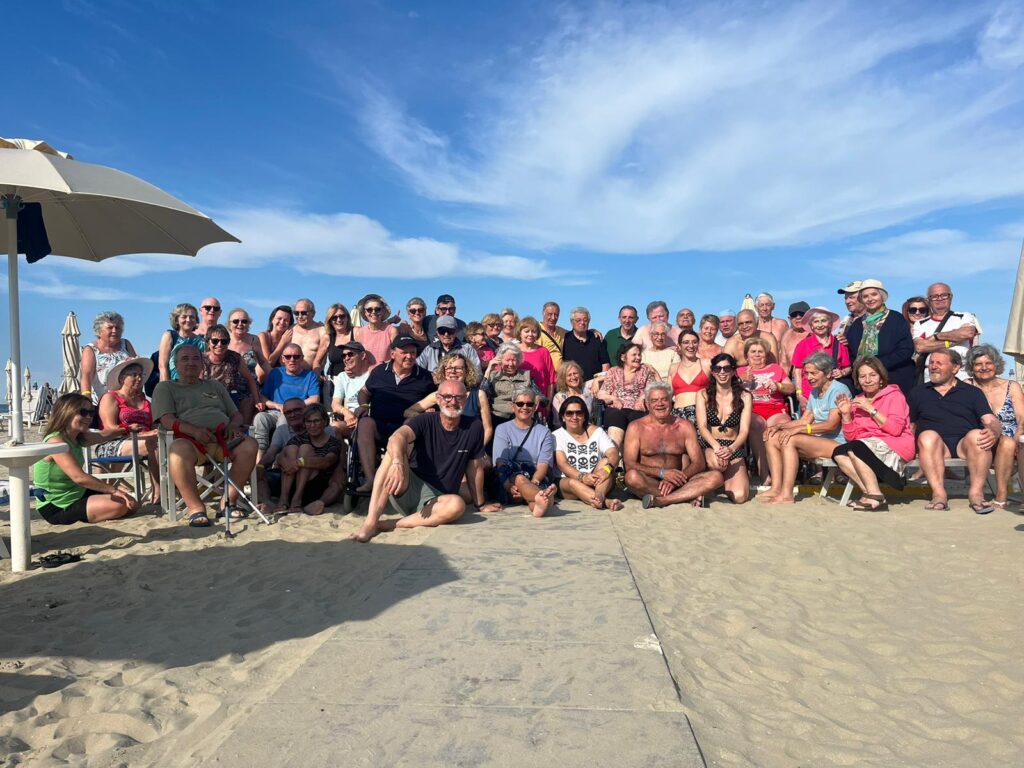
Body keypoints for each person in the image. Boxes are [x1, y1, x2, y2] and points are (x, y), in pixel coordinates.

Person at [352, 380, 499, 542]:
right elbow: (397, 437)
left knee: (457, 505)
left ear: (465, 399)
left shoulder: (474, 427)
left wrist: (480, 504)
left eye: (458, 397)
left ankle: (392, 524)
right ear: (438, 398)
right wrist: (398, 463)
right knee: (392, 453)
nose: (453, 402)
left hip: (437, 501)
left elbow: (475, 468)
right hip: (408, 487)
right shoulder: (425, 420)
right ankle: (370, 522)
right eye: (447, 397)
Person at [152, 345, 258, 526]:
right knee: (177, 450)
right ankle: (196, 508)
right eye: (185, 359)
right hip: (192, 443)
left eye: (196, 359)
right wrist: (194, 431)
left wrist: (233, 425)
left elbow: (236, 414)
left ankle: (228, 502)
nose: (191, 363)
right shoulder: (165, 387)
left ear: (202, 364)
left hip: (224, 439)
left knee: (250, 444)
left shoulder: (215, 385)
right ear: (175, 365)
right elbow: (166, 420)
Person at [909, 348, 1000, 513]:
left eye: (939, 363)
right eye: (931, 363)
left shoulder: (972, 392)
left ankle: (976, 494)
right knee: (927, 436)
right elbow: (911, 425)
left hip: (964, 445)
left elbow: (990, 420)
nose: (933, 367)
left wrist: (994, 431)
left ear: (955, 368)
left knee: (978, 435)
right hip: (935, 447)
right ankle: (939, 494)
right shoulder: (917, 392)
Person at [33, 393, 140, 524]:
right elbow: (79, 478)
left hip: (77, 492)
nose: (89, 417)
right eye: (83, 412)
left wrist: (127, 429)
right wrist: (114, 490)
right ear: (66, 412)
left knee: (131, 504)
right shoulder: (56, 441)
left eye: (91, 412)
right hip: (57, 504)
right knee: (120, 505)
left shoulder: (77, 437)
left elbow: (103, 435)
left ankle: (95, 509)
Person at [762, 351, 850, 504]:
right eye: (807, 373)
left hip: (839, 443)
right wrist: (779, 426)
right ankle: (776, 487)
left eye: (813, 373)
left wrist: (798, 430)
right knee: (771, 436)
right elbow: (805, 420)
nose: (808, 377)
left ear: (828, 373)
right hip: (819, 441)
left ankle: (787, 494)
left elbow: (831, 425)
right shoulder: (815, 392)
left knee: (790, 439)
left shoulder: (838, 390)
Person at [832, 357, 915, 512]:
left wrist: (871, 409)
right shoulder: (858, 400)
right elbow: (851, 437)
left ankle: (874, 495)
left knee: (856, 448)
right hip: (867, 446)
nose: (868, 380)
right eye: (863, 376)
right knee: (839, 453)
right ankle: (870, 492)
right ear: (857, 380)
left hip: (895, 444)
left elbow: (896, 429)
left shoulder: (894, 396)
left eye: (873, 375)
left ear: (881, 377)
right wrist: (846, 415)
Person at [354, 336, 437, 491]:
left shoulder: (425, 377)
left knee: (409, 425)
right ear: (393, 354)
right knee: (364, 423)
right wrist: (364, 405)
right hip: (379, 425)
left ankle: (401, 479)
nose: (409, 356)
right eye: (404, 352)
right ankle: (371, 480)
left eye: (412, 352)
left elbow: (434, 400)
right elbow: (364, 392)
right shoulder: (379, 372)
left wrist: (429, 410)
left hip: (407, 428)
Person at [624, 381, 722, 508]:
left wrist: (676, 480)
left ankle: (663, 500)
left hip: (681, 480)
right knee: (631, 477)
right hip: (650, 481)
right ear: (647, 405)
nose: (660, 404)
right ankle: (686, 496)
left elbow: (699, 462)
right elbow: (629, 464)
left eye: (664, 399)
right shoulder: (636, 427)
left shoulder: (684, 426)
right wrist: (662, 473)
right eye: (654, 400)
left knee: (716, 477)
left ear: (671, 402)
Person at [966, 344, 1024, 510]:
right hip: (982, 440)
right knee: (1007, 443)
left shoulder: (1011, 386)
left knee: (1010, 443)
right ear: (971, 367)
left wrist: (1016, 436)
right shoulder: (967, 385)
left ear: (996, 364)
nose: (984, 368)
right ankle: (1002, 495)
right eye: (978, 364)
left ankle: (1001, 494)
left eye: (988, 363)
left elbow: (1022, 418)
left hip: (1011, 439)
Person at [96, 357, 160, 502]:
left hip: (143, 441)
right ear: (122, 377)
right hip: (112, 443)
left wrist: (156, 430)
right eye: (134, 374)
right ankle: (158, 491)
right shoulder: (111, 398)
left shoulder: (145, 401)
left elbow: (153, 425)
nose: (139, 378)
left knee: (168, 442)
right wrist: (130, 429)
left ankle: (170, 485)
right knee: (153, 443)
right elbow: (109, 428)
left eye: (141, 374)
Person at [695, 353, 753, 503]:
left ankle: (719, 483)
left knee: (740, 497)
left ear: (733, 371)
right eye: (718, 368)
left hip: (733, 447)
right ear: (713, 372)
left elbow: (744, 430)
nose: (722, 372)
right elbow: (702, 426)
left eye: (726, 368)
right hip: (711, 445)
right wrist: (716, 447)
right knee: (717, 463)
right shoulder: (703, 395)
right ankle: (714, 479)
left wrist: (731, 449)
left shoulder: (744, 396)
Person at [405, 350, 494, 447]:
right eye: (449, 368)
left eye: (458, 368)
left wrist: (477, 451)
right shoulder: (437, 395)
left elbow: (488, 429)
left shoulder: (479, 395)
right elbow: (408, 411)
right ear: (444, 371)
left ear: (467, 371)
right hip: (443, 447)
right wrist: (427, 417)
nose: (453, 371)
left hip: (470, 445)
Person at [493, 387, 558, 517]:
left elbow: (543, 464)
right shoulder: (502, 429)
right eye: (520, 404)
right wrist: (507, 485)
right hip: (510, 480)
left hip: (536, 478)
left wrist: (533, 483)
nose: (524, 407)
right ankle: (544, 496)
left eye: (529, 404)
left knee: (532, 496)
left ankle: (536, 503)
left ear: (535, 407)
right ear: (513, 406)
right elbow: (501, 462)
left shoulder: (544, 432)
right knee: (520, 478)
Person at [843, 279, 915, 395]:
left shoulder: (896, 318)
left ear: (881, 296)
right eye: (865, 296)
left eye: (874, 294)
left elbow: (906, 349)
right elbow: (852, 354)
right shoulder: (856, 325)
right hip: (865, 383)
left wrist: (876, 366)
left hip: (894, 379)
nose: (870, 299)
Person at [738, 337, 795, 485]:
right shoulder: (739, 371)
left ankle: (780, 474)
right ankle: (764, 474)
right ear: (746, 356)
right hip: (752, 408)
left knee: (778, 425)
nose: (757, 355)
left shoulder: (776, 369)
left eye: (760, 352)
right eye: (753, 352)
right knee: (756, 425)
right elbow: (727, 392)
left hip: (775, 408)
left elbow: (791, 389)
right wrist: (740, 382)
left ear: (766, 354)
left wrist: (779, 386)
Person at [552, 396, 622, 510]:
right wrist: (582, 477)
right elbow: (562, 464)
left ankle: (598, 497)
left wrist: (607, 469)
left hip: (597, 480)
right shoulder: (556, 435)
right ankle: (605, 501)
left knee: (606, 461)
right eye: (569, 413)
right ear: (563, 417)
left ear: (584, 416)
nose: (574, 417)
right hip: (569, 482)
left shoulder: (597, 432)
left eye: (579, 413)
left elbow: (613, 453)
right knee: (572, 483)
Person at [252, 343, 320, 454]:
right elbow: (263, 397)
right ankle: (259, 458)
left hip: (297, 413)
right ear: (283, 359)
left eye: (296, 357)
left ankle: (283, 457)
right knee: (260, 418)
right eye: (288, 357)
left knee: (285, 419)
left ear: (302, 358)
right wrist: (277, 406)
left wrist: (292, 407)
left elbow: (314, 399)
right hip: (275, 411)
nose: (292, 360)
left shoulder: (310, 375)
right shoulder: (275, 373)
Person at [276, 404, 344, 516]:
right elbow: (280, 457)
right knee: (291, 449)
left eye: (316, 421)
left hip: (318, 486)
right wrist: (286, 463)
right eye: (308, 422)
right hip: (293, 482)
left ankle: (297, 499)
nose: (312, 425)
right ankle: (284, 499)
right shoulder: (299, 438)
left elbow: (327, 462)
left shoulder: (333, 442)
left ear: (324, 422)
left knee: (305, 449)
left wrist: (299, 462)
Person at [913, 282, 981, 383]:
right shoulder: (920, 324)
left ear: (951, 297)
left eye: (944, 295)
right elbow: (921, 347)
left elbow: (968, 333)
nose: (940, 299)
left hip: (962, 375)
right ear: (928, 300)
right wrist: (953, 340)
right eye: (935, 296)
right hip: (932, 376)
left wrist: (937, 336)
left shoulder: (964, 316)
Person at [596, 342, 661, 448]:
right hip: (616, 409)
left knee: (636, 418)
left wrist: (642, 398)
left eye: (639, 354)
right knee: (616, 416)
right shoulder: (613, 371)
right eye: (634, 355)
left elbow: (653, 389)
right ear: (623, 357)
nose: (638, 357)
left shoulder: (645, 370)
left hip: (637, 410)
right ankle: (613, 454)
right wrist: (613, 398)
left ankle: (632, 457)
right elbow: (602, 394)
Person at [791, 306, 851, 404]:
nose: (820, 325)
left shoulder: (839, 343)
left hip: (835, 394)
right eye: (816, 321)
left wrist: (842, 372)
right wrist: (799, 393)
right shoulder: (803, 344)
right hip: (809, 395)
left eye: (823, 321)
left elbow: (848, 367)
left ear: (829, 324)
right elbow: (797, 371)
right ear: (811, 326)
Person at [204, 324, 262, 425]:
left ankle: (244, 432)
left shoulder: (235, 357)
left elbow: (250, 379)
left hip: (230, 398)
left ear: (228, 343)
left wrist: (257, 400)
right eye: (215, 341)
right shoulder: (201, 359)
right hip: (207, 399)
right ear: (208, 342)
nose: (219, 344)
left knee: (249, 401)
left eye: (224, 341)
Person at [80, 311, 138, 405]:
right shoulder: (91, 349)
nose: (115, 331)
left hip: (128, 402)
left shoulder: (126, 344)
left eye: (118, 328)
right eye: (110, 328)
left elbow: (136, 368)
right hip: (102, 403)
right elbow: (86, 376)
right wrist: (86, 397)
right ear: (99, 331)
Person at [484, 343, 536, 429]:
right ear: (500, 360)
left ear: (518, 361)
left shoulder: (526, 375)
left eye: (514, 360)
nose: (511, 364)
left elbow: (541, 397)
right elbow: (482, 394)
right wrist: (488, 370)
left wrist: (536, 398)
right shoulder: (493, 376)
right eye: (507, 360)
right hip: (498, 418)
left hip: (522, 418)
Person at [330, 340, 372, 440]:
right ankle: (341, 456)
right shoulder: (342, 377)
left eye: (350, 354)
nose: (346, 358)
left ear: (362, 356)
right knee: (334, 428)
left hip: (369, 420)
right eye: (344, 356)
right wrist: (346, 412)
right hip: (349, 422)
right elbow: (335, 404)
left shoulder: (372, 374)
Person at [668, 330, 710, 424]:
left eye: (694, 342)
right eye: (686, 342)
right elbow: (668, 395)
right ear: (679, 346)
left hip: (702, 413)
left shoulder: (706, 363)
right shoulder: (673, 367)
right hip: (678, 415)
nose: (691, 346)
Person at [417, 315, 481, 374]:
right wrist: (430, 377)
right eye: (442, 331)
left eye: (450, 331)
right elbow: (417, 369)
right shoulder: (429, 349)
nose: (446, 334)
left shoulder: (467, 349)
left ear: (457, 331)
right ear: (437, 333)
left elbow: (477, 373)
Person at [158, 303, 205, 382]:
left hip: (194, 386)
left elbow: (202, 368)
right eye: (184, 317)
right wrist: (165, 388)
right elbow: (162, 366)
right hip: (173, 385)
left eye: (192, 317)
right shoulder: (170, 336)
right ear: (176, 320)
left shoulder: (201, 342)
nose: (188, 320)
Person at [562, 306, 610, 383]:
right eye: (578, 320)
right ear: (572, 322)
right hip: (572, 385)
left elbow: (605, 364)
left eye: (585, 320)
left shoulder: (597, 339)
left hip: (594, 385)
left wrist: (601, 383)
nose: (582, 323)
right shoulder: (565, 339)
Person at [516, 316, 557, 405]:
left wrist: (548, 403)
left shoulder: (544, 351)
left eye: (534, 331)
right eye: (526, 331)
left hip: (540, 401)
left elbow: (551, 380)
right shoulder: (514, 351)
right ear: (520, 333)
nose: (530, 334)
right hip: (519, 402)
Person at [227, 308, 270, 386]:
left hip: (250, 388)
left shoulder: (254, 340)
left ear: (248, 324)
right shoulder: (223, 341)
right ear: (229, 324)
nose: (240, 324)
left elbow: (263, 362)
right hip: (227, 389)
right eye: (235, 321)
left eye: (244, 321)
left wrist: (276, 377)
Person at [354, 293, 399, 366]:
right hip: (365, 375)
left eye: (377, 309)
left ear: (383, 311)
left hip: (385, 374)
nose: (373, 312)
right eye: (369, 309)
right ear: (365, 312)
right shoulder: (359, 332)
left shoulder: (391, 331)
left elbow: (397, 356)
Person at [551, 361, 596, 430]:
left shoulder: (587, 390)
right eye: (569, 375)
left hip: (588, 430)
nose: (573, 377)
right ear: (563, 379)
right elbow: (558, 422)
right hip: (567, 432)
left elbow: (606, 376)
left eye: (575, 373)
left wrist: (597, 380)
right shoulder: (559, 397)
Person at [315, 303, 355, 379]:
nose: (339, 320)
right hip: (333, 381)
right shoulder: (328, 337)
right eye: (334, 318)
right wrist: (317, 375)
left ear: (347, 317)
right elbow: (317, 362)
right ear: (330, 321)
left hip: (354, 380)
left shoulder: (356, 333)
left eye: (342, 316)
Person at [290, 298, 326, 369]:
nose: (299, 316)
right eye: (296, 313)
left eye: (303, 313)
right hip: (290, 377)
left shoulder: (322, 331)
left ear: (313, 313)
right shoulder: (289, 330)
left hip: (312, 375)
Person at [258, 305, 295, 369]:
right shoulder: (263, 336)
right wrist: (282, 342)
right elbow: (268, 363)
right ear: (272, 319)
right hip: (264, 375)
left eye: (286, 320)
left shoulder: (291, 338)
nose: (282, 322)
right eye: (279, 318)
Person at [779, 302, 810, 375]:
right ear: (789, 318)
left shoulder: (818, 333)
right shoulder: (786, 336)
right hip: (794, 379)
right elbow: (784, 365)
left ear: (809, 316)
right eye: (794, 315)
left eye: (802, 314)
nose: (798, 317)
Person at [538, 302, 567, 370]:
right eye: (550, 314)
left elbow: (577, 333)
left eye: (556, 315)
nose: (553, 318)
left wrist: (592, 331)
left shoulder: (562, 331)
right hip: (543, 375)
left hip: (560, 376)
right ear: (543, 313)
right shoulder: (534, 330)